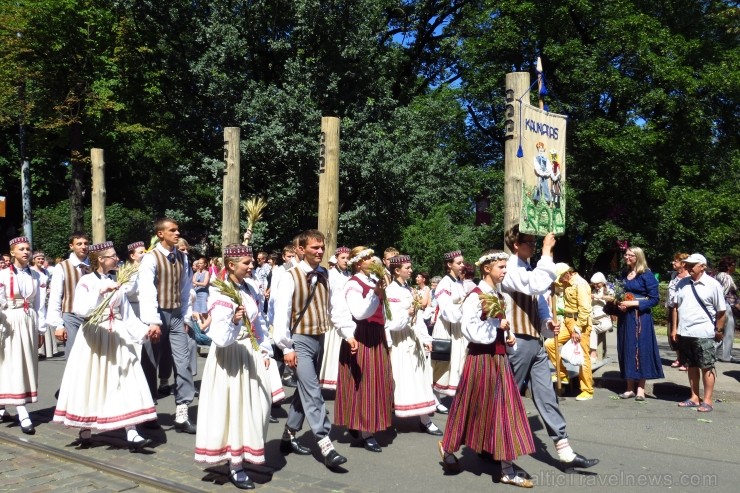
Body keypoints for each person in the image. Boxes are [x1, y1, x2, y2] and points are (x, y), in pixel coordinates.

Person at [501, 224, 598, 471]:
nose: (533, 246)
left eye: (536, 243)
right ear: (516, 245)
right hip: (517, 341)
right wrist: (546, 252)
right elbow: (533, 285)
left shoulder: (530, 267)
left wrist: (546, 320)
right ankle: (495, 449)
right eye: (529, 243)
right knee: (507, 398)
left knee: (547, 395)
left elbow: (539, 300)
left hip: (535, 341)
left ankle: (564, 450)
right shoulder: (509, 268)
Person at [439, 250, 535, 487]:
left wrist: (508, 335)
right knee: (468, 406)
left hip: (499, 359)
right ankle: (449, 448)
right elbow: (470, 330)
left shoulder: (498, 296)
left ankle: (506, 467)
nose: (505, 271)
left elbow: (500, 326)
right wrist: (496, 327)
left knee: (504, 411)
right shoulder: (476, 295)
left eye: (505, 267)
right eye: (501, 267)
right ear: (487, 269)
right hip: (481, 360)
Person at [53, 241, 157, 451]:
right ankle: (85, 428)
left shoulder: (116, 280)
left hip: (116, 336)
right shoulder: (86, 281)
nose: (117, 258)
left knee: (125, 379)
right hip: (94, 337)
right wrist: (101, 291)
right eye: (112, 255)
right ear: (100, 259)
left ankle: (132, 432)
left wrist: (144, 331)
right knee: (91, 381)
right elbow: (80, 308)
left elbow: (126, 312)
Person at [194, 244, 274, 489]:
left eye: (251, 262)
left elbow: (258, 320)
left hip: (248, 353)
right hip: (229, 357)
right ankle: (235, 464)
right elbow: (220, 337)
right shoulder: (220, 293)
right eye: (247, 263)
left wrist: (264, 348)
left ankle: (243, 453)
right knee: (232, 408)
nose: (252, 266)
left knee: (258, 405)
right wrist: (233, 320)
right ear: (230, 265)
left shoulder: (249, 288)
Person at [272, 229, 348, 469]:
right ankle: (325, 442)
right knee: (313, 389)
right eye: (314, 247)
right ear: (300, 250)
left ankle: (288, 435)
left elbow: (336, 306)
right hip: (299, 339)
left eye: (321, 247)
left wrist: (349, 333)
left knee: (304, 389)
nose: (320, 251)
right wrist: (286, 347)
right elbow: (281, 312)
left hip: (320, 338)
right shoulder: (289, 276)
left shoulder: (326, 274)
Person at [138, 218, 196, 433]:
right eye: (172, 230)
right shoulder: (150, 258)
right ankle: (148, 409)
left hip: (176, 314)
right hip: (157, 314)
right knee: (150, 362)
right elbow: (146, 289)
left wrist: (186, 316)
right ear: (160, 234)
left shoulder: (182, 257)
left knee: (183, 361)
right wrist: (153, 320)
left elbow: (185, 287)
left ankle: (182, 410)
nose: (177, 233)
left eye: (178, 229)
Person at [335, 247, 394, 452]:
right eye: (368, 258)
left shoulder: (370, 281)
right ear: (358, 263)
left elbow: (383, 312)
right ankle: (366, 430)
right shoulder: (353, 284)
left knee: (379, 381)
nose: (373, 260)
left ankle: (361, 423)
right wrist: (376, 294)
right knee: (365, 383)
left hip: (377, 335)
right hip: (362, 335)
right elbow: (359, 313)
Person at [385, 254, 441, 436]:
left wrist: (426, 338)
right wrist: (406, 314)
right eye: (407, 268)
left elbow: (417, 320)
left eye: (410, 267)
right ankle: (385, 417)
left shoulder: (410, 289)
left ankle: (425, 419)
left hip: (413, 338)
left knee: (421, 377)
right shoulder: (391, 291)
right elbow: (391, 323)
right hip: (400, 341)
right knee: (399, 379)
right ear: (397, 270)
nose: (411, 270)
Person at [0, 237, 46, 434]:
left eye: (28, 248)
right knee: (11, 363)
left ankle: (4, 404)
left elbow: (39, 304)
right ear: (12, 253)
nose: (26, 252)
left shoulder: (36, 276)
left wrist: (40, 329)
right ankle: (21, 410)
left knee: (26, 363)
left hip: (29, 321)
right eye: (21, 249)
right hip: (9, 320)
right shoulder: (2, 275)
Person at [672, 253, 726, 412]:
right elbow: (675, 307)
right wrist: (675, 328)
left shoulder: (713, 284)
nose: (688, 267)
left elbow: (721, 311)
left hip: (704, 332)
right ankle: (694, 397)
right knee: (691, 366)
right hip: (685, 332)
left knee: (707, 366)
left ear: (702, 266)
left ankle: (707, 400)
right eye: (687, 264)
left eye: (692, 265)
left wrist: (719, 330)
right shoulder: (682, 283)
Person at [610, 246, 663, 401]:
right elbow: (619, 294)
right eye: (626, 255)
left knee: (641, 350)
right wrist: (619, 304)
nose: (627, 257)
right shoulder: (624, 274)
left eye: (630, 255)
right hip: (626, 317)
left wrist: (633, 304)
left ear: (638, 257)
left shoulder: (646, 275)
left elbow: (654, 299)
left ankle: (640, 389)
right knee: (627, 348)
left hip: (641, 318)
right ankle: (629, 388)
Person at [545, 265, 594, 401]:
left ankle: (587, 390)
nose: (560, 280)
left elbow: (585, 309)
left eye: (561, 276)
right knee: (550, 344)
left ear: (567, 273)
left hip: (579, 322)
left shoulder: (580, 284)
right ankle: (562, 373)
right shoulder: (567, 282)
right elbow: (555, 283)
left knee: (583, 356)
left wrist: (577, 329)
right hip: (567, 321)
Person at [430, 250, 467, 412]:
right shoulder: (445, 283)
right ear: (449, 265)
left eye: (462, 263)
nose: (462, 266)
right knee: (442, 362)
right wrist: (462, 309)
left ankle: (454, 394)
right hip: (446, 326)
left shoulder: (459, 281)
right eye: (459, 263)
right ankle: (434, 397)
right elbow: (446, 309)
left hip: (457, 327)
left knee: (457, 361)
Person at [47, 232, 90, 359]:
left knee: (92, 356)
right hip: (71, 316)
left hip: (92, 317)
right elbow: (55, 296)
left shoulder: (94, 265)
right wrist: (58, 325)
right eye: (79, 244)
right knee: (74, 356)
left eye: (86, 243)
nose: (83, 247)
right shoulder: (62, 267)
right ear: (71, 246)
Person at [319, 246, 351, 391]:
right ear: (336, 259)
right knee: (330, 350)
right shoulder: (330, 275)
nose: (346, 260)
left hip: (347, 317)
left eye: (348, 258)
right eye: (343, 258)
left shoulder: (350, 275)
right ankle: (327, 380)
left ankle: (341, 381)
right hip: (333, 319)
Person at [666, 253, 690, 370]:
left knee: (683, 334)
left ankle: (686, 360)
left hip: (684, 309)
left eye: (675, 261)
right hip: (672, 307)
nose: (673, 263)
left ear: (683, 263)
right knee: (672, 333)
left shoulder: (689, 277)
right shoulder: (674, 275)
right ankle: (679, 358)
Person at [32, 251, 57, 359]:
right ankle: (35, 350)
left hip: (45, 300)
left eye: (42, 259)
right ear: (34, 260)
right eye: (38, 259)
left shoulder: (46, 272)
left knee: (45, 323)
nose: (40, 260)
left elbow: (48, 284)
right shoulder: (31, 271)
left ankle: (46, 350)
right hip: (34, 300)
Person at [715, 256, 738, 363]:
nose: (735, 267)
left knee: (719, 329)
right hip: (726, 306)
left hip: (719, 305)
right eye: (734, 265)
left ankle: (716, 353)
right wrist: (736, 305)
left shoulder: (717, 275)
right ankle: (725, 355)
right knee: (728, 331)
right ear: (729, 266)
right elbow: (726, 294)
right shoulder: (726, 277)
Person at [588, 272, 613, 363]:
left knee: (592, 329)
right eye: (594, 284)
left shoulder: (608, 289)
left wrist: (600, 297)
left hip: (605, 320)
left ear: (602, 282)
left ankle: (593, 354)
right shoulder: (593, 291)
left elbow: (613, 298)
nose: (596, 286)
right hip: (593, 319)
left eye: (598, 283)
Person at [192, 255, 211, 324]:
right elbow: (193, 284)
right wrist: (194, 283)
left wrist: (195, 282)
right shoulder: (196, 274)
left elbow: (205, 284)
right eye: (198, 263)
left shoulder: (206, 273)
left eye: (200, 263)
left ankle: (207, 324)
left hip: (203, 293)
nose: (199, 264)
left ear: (205, 264)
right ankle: (200, 326)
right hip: (196, 293)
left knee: (204, 311)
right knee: (196, 311)